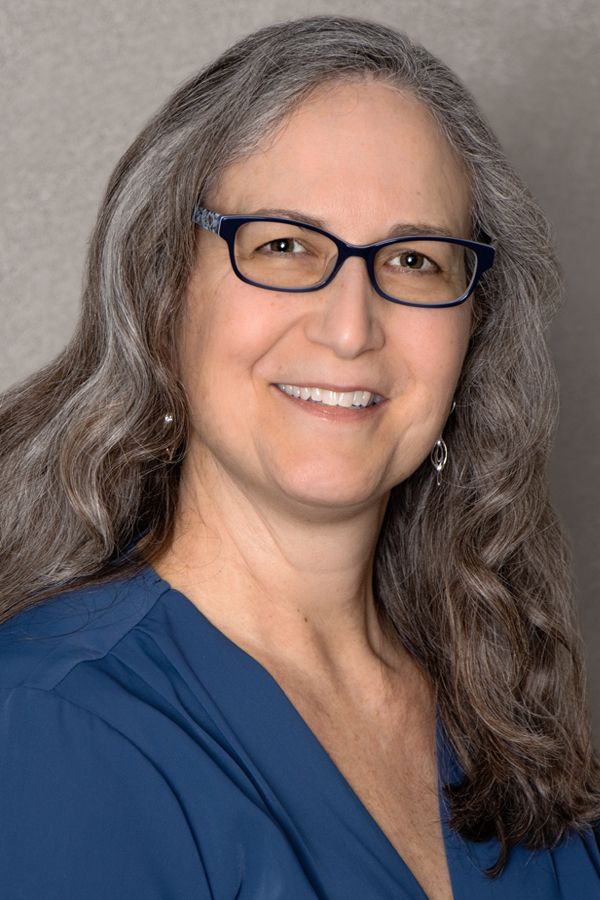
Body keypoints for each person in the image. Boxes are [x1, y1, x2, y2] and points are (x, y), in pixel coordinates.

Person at [1, 14, 599, 900]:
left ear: (475, 332)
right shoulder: (56, 726)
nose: (351, 326)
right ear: (163, 294)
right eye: (284, 246)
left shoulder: (509, 724)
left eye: (415, 259)